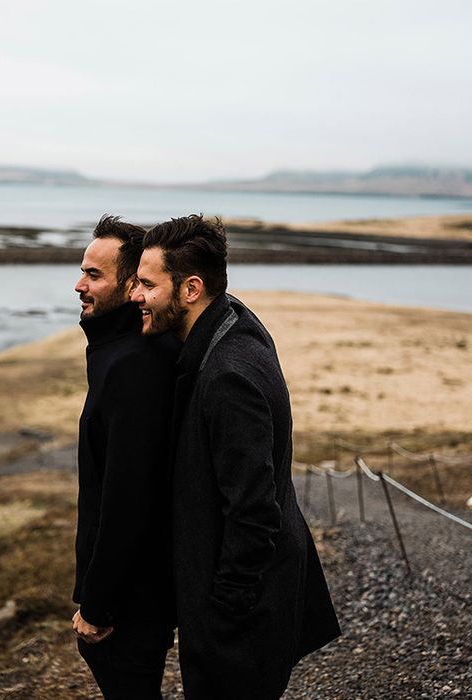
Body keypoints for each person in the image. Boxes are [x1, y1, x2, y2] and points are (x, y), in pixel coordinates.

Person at [131, 215, 341, 700]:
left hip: (242, 619)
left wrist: (222, 611)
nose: (135, 295)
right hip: (244, 609)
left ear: (190, 289)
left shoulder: (227, 377)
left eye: (146, 284)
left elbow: (252, 511)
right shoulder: (230, 322)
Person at [71, 215, 177, 700]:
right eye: (82, 271)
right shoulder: (116, 351)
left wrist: (98, 605)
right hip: (127, 594)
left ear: (132, 284)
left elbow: (129, 499)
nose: (79, 285)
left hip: (131, 600)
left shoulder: (135, 363)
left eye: (94, 275)